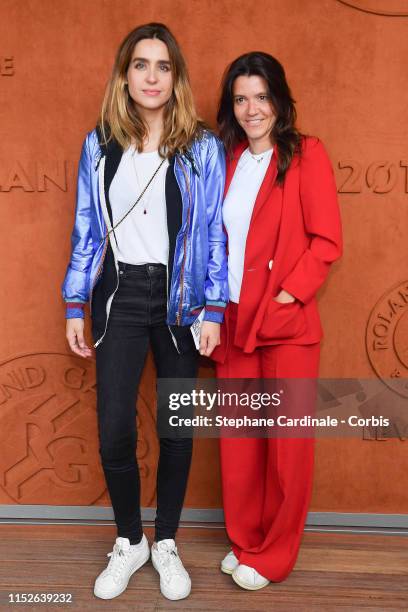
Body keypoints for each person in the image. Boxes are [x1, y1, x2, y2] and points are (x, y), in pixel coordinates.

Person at [62, 23, 227, 602]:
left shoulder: (202, 147)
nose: (151, 76)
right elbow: (87, 230)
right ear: (124, 74)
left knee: (176, 429)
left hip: (181, 303)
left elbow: (213, 233)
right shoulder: (99, 143)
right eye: (140, 65)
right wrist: (75, 302)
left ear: (176, 76)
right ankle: (131, 540)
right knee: (114, 430)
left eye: (163, 66)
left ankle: (167, 542)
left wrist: (213, 307)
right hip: (120, 296)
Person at [213, 52, 342, 589]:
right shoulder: (229, 158)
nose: (251, 109)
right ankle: (246, 542)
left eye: (261, 97)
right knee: (239, 445)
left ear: (279, 99)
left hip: (285, 322)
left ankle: (274, 556)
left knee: (287, 450)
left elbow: (327, 240)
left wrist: (289, 294)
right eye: (241, 98)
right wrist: (212, 309)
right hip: (236, 320)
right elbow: (216, 241)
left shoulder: (306, 153)